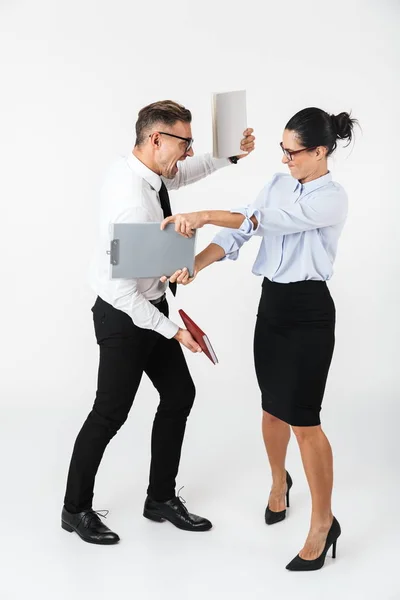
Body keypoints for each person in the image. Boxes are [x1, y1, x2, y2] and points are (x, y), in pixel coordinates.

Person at [161, 107, 357, 571]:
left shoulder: (333, 198)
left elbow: (262, 223)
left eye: (293, 152)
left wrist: (206, 214)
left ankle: (323, 521)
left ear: (319, 151)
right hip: (272, 308)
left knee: (304, 420)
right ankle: (277, 482)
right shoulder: (276, 183)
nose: (285, 159)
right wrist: (195, 265)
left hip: (309, 313)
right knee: (272, 408)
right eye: (282, 150)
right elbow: (238, 237)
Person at [61, 100, 255, 544]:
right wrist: (175, 331)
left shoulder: (141, 169)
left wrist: (228, 157)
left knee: (179, 393)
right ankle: (74, 510)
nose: (188, 153)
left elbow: (179, 176)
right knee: (109, 414)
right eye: (185, 143)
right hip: (125, 318)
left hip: (148, 304)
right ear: (156, 139)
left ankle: (160, 498)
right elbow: (121, 293)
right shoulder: (129, 202)